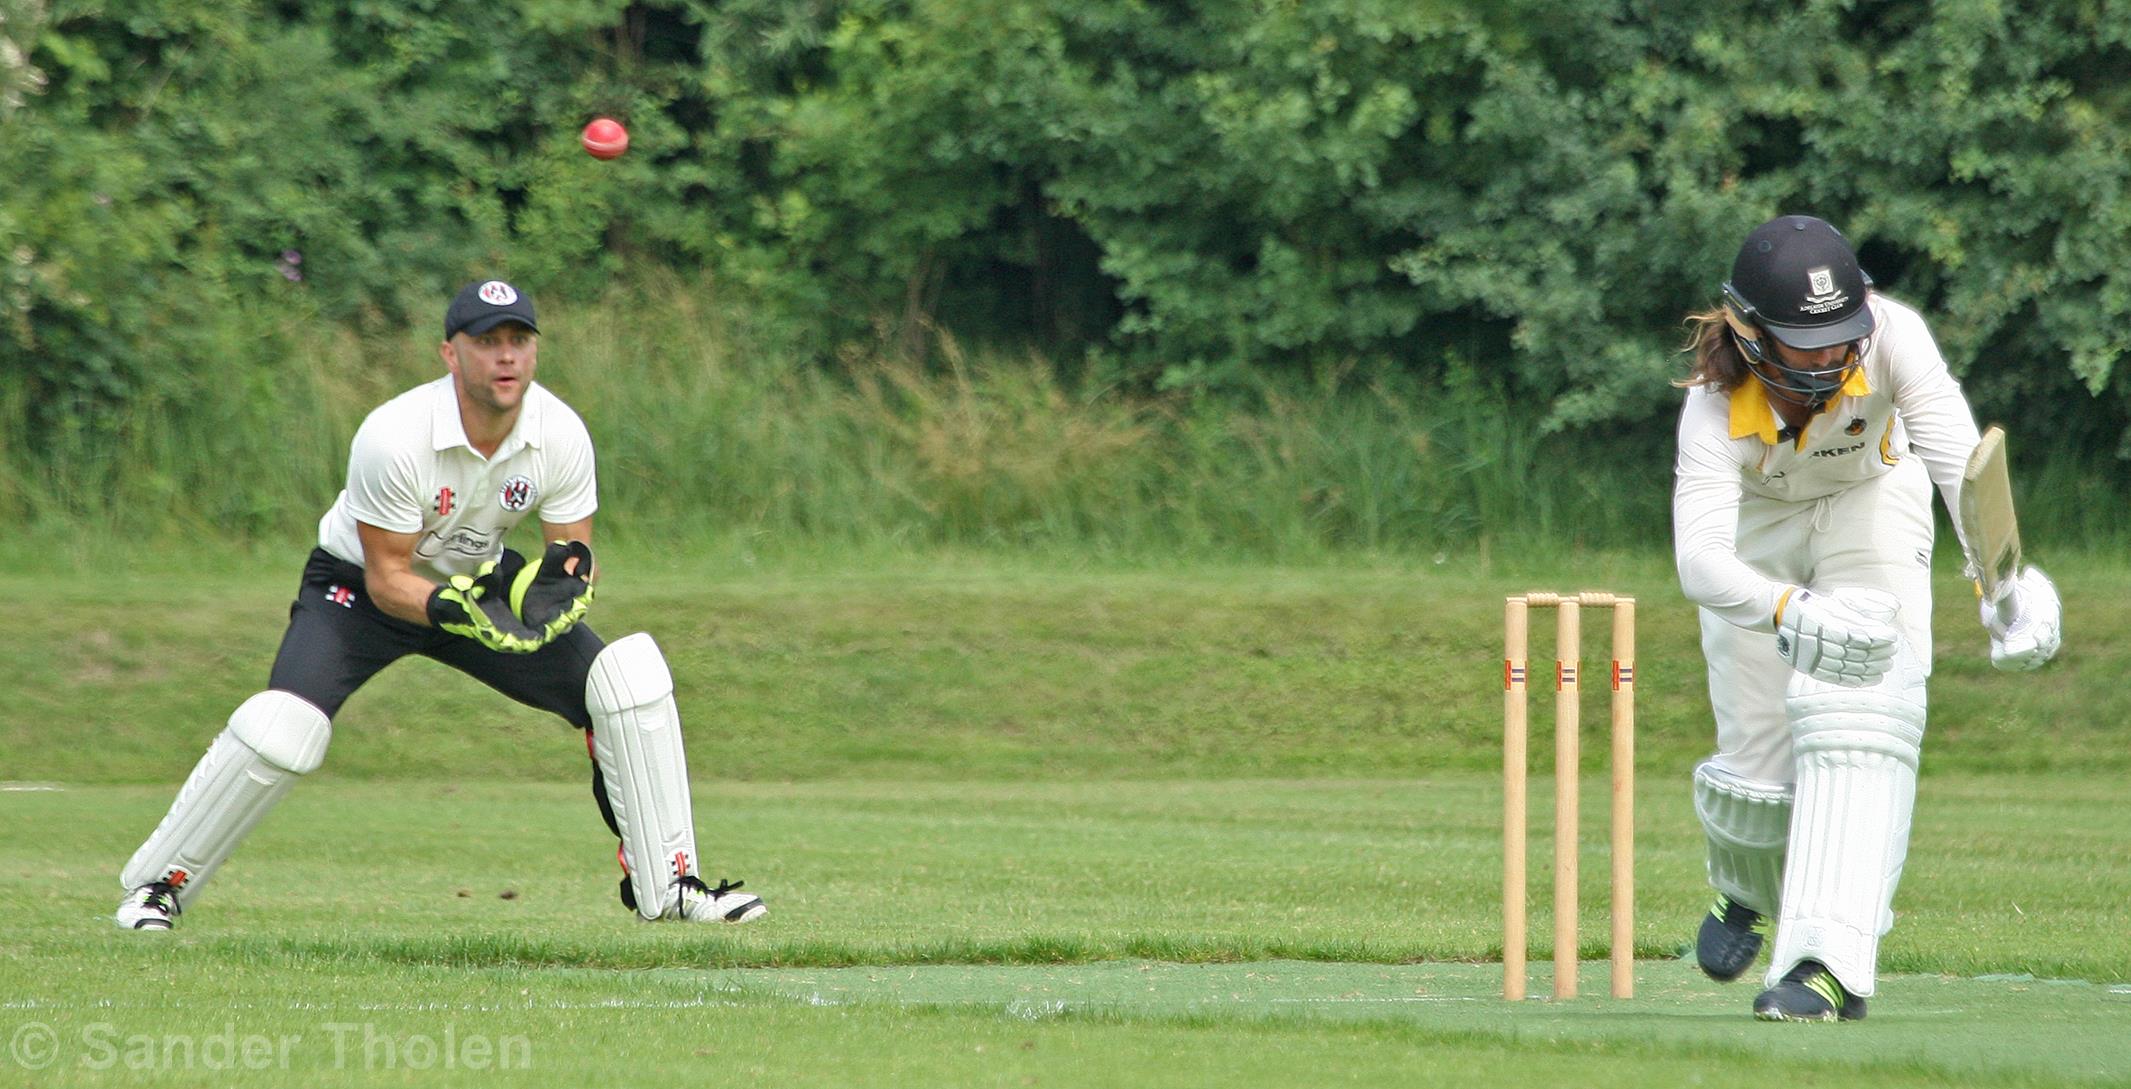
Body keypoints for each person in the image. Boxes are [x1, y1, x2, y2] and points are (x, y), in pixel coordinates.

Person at [114, 279, 765, 930]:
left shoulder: (560, 432)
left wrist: (563, 587)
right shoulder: (395, 435)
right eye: (487, 341)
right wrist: (454, 609)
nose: (505, 355)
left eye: (518, 340)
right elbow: (386, 578)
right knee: (284, 726)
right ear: (450, 354)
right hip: (358, 592)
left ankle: (671, 886)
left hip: (479, 588)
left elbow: (571, 554)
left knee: (623, 685)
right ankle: (156, 887)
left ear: (534, 352)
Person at [1672, 215, 2061, 1021]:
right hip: (1758, 535)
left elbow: (1959, 465)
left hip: (1870, 502)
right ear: (1748, 333)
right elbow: (1700, 563)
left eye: (1839, 338)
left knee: (1865, 716)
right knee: (1756, 771)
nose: (1829, 358)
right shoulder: (1711, 412)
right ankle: (1744, 889)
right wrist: (1791, 608)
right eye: (1805, 345)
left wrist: (2004, 588)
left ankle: (1826, 964)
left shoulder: (1892, 335)